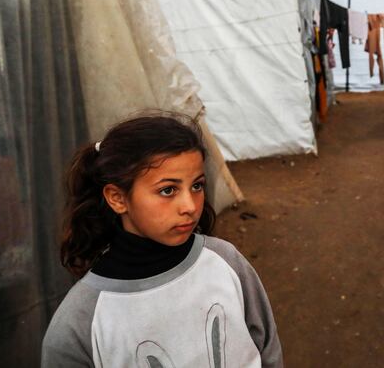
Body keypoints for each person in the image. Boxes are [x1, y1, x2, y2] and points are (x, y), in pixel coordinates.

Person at [41, 113, 282, 367]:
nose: (190, 206)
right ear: (117, 198)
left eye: (197, 186)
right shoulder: (81, 321)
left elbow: (268, 349)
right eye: (168, 190)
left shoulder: (226, 261)